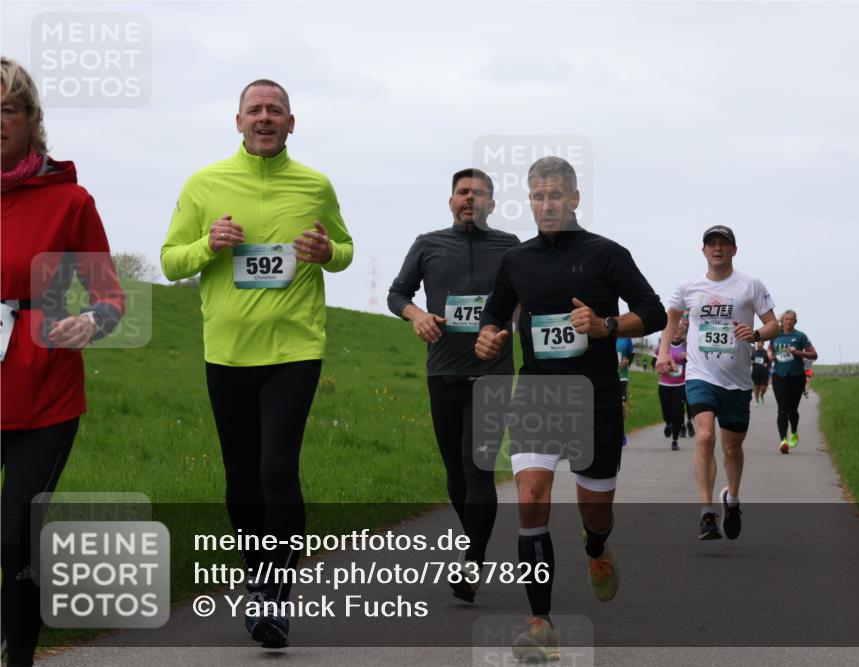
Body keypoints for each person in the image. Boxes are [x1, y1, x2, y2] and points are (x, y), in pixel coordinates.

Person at [160, 79, 353, 649]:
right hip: (227, 352)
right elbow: (170, 261)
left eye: (275, 110)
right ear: (238, 121)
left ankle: (274, 597)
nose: (265, 117)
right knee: (242, 478)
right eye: (255, 110)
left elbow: (344, 250)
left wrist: (328, 252)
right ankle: (256, 579)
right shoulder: (204, 183)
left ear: (291, 123)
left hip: (295, 350)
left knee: (277, 470)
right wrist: (209, 245)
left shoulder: (315, 185)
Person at [475, 157, 666, 660]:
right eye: (538, 196)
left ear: (575, 198)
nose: (546, 205)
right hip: (537, 393)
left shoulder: (607, 254)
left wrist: (606, 325)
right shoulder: (517, 261)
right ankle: (540, 623)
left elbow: (653, 312)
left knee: (596, 513)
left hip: (594, 396)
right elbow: (495, 311)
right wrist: (489, 336)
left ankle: (596, 547)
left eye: (555, 195)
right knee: (531, 499)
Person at [1, 57, 125, 667]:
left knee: (15, 537)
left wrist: (91, 321)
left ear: (32, 119)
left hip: (44, 394)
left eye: (6, 109)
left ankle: (20, 655)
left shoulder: (69, 201)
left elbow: (111, 298)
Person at [386, 168, 519, 602]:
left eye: (479, 194)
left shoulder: (510, 247)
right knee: (456, 475)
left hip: (493, 372)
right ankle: (474, 541)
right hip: (443, 372)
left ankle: (473, 561)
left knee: (477, 466)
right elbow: (397, 294)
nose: (470, 199)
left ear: (492, 205)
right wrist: (417, 316)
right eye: (463, 192)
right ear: (451, 201)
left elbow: (528, 300)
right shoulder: (428, 245)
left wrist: (509, 326)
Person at [656, 225, 777, 541]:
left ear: (734, 250)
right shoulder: (688, 286)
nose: (718, 248)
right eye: (711, 244)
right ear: (704, 251)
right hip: (701, 375)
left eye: (724, 244)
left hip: (737, 381)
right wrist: (664, 352)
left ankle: (732, 500)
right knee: (705, 437)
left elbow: (773, 325)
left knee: (732, 448)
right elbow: (671, 317)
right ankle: (706, 513)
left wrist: (756, 334)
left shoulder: (750, 285)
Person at [768, 310, 818, 453]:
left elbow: (814, 354)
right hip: (779, 376)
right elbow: (770, 348)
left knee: (792, 410)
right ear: (782, 320)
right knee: (782, 409)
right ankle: (783, 440)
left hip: (796, 377)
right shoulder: (776, 335)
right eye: (786, 319)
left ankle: (794, 432)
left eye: (791, 319)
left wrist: (798, 353)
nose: (788, 321)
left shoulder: (800, 336)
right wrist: (770, 354)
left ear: (795, 321)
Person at [656, 314, 689, 451]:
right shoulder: (664, 346)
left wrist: (688, 356)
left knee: (677, 411)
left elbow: (696, 363)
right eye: (674, 329)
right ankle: (668, 423)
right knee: (666, 410)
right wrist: (664, 368)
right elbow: (654, 362)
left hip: (681, 384)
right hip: (664, 384)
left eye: (679, 329)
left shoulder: (686, 346)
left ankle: (675, 440)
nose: (676, 331)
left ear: (682, 331)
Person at [616, 336, 634, 445]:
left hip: (622, 377)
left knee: (622, 405)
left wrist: (627, 361)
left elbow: (631, 354)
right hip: (606, 377)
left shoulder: (626, 337)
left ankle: (621, 430)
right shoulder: (603, 334)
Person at [751, 340, 771, 404]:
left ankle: (762, 395)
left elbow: (770, 361)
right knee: (756, 387)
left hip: (764, 373)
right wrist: (752, 362)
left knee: (763, 388)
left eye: (759, 343)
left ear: (763, 344)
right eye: (758, 343)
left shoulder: (766, 353)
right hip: (756, 372)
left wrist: (767, 364)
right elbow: (751, 360)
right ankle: (757, 401)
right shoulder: (754, 353)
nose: (758, 344)